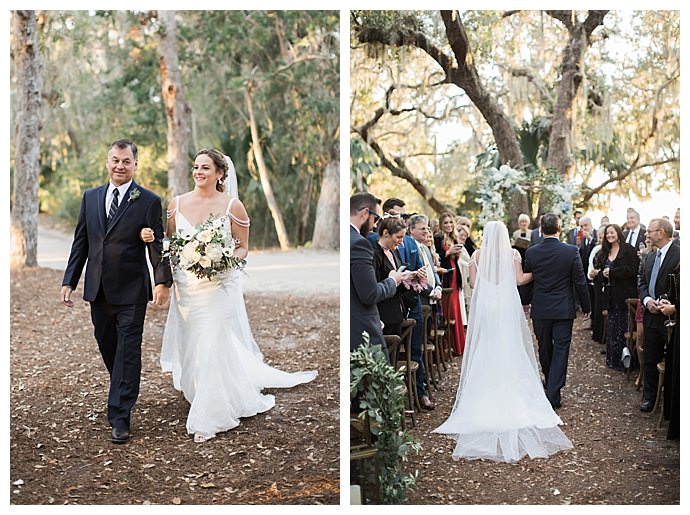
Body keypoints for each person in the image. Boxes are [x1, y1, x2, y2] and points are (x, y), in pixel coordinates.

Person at [142, 148, 316, 442]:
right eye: (196, 167)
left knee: (211, 341)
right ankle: (200, 390)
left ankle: (210, 415)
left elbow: (243, 247)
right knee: (192, 342)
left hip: (218, 286)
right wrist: (153, 242)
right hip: (187, 287)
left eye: (206, 168)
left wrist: (224, 260)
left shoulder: (233, 206)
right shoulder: (176, 204)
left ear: (220, 173)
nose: (198, 172)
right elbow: (171, 241)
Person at [61, 139, 173, 444]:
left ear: (135, 164)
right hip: (98, 289)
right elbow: (81, 242)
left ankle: (120, 415)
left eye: (126, 161)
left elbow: (157, 244)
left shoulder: (148, 200)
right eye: (115, 160)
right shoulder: (91, 197)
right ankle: (122, 386)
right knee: (107, 344)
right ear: (107, 162)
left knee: (127, 350)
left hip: (132, 291)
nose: (120, 166)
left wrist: (162, 282)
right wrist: (69, 280)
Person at [433, 221, 572, 463]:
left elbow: (474, 283)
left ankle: (485, 388)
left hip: (487, 305)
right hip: (506, 304)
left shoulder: (476, 255)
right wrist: (541, 272)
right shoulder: (513, 254)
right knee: (510, 344)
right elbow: (519, 280)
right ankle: (511, 386)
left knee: (487, 344)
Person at [524, 213, 591, 409]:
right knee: (561, 350)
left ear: (541, 230)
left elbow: (529, 279)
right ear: (559, 229)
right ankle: (554, 391)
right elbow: (579, 280)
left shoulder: (532, 252)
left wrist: (525, 301)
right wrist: (587, 306)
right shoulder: (571, 251)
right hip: (563, 308)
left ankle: (550, 385)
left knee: (544, 347)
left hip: (541, 308)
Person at [637, 217, 680, 412]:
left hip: (672, 318)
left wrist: (669, 302)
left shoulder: (680, 255)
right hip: (651, 315)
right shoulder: (649, 257)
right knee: (650, 358)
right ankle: (649, 397)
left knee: (673, 361)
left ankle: (671, 403)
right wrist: (647, 301)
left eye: (650, 231)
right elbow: (642, 283)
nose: (646, 234)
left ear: (661, 233)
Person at [350, 192, 402, 353]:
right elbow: (370, 294)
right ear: (365, 213)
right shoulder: (359, 244)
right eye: (376, 218)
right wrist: (393, 280)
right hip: (361, 329)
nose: (375, 225)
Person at [590, 224, 640, 370]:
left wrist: (613, 272)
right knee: (613, 328)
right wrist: (597, 275)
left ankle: (629, 362)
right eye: (607, 234)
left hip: (625, 295)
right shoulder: (604, 251)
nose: (610, 236)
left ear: (618, 233)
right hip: (610, 296)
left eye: (612, 233)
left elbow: (633, 270)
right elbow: (603, 274)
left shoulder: (628, 249)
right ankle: (614, 360)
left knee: (625, 327)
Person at [434, 212, 467, 355]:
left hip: (454, 273)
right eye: (445, 223)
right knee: (449, 310)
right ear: (441, 224)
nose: (448, 225)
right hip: (445, 276)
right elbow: (435, 258)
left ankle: (459, 345)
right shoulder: (438, 238)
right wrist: (448, 253)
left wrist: (456, 253)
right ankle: (448, 346)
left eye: (450, 222)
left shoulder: (454, 237)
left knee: (456, 309)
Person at [372, 217, 410, 336]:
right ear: (386, 233)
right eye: (399, 237)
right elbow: (373, 286)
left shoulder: (394, 252)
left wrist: (409, 278)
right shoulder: (373, 254)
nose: (401, 241)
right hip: (383, 315)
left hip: (397, 312)